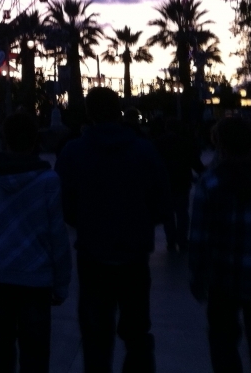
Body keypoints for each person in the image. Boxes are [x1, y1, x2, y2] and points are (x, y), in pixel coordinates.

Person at [54, 87, 170, 373]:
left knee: (95, 338)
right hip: (134, 255)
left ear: (89, 113)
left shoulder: (73, 152)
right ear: (118, 111)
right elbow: (161, 201)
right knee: (138, 334)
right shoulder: (144, 150)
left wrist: (86, 223)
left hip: (93, 254)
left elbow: (63, 203)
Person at [0, 112, 71, 373]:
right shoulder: (47, 180)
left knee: (0, 343)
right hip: (36, 276)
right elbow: (57, 235)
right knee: (35, 349)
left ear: (4, 138)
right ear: (35, 139)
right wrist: (61, 282)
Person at [189, 117, 251, 373]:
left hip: (223, 278)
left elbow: (199, 238)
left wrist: (198, 278)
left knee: (223, 345)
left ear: (220, 144)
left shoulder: (209, 183)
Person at [153, 117, 205, 253]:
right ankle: (182, 240)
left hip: (165, 183)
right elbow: (195, 162)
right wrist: (202, 172)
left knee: (168, 214)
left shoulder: (158, 142)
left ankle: (170, 240)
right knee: (182, 213)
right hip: (182, 181)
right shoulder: (185, 142)